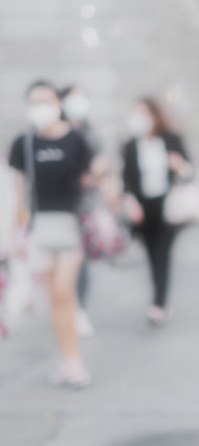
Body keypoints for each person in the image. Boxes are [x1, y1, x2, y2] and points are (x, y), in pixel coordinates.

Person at [8, 80, 93, 388]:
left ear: (57, 103)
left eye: (44, 100)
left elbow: (92, 176)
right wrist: (17, 231)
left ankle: (75, 361)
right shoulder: (24, 143)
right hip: (39, 228)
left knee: (63, 292)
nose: (39, 107)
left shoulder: (76, 139)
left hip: (71, 226)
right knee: (54, 300)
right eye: (33, 102)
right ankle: (68, 360)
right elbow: (19, 189)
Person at [121, 97, 192, 325]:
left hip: (167, 205)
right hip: (142, 208)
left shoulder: (171, 140)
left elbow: (190, 172)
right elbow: (127, 179)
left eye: (144, 113)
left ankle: (159, 302)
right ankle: (159, 298)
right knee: (151, 255)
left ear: (155, 116)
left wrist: (179, 166)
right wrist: (129, 200)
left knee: (163, 254)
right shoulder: (130, 145)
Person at [59, 85, 104, 337]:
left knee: (80, 261)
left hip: (84, 207)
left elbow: (100, 167)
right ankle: (66, 307)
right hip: (57, 208)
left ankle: (79, 309)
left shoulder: (90, 134)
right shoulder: (52, 133)